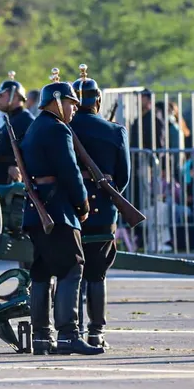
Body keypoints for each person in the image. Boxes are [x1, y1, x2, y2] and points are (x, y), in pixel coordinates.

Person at [21, 69, 103, 356]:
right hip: (56, 210)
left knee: (42, 272)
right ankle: (68, 335)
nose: (75, 108)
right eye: (71, 103)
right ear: (56, 100)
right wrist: (82, 204)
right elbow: (70, 172)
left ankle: (42, 337)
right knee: (72, 267)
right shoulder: (57, 128)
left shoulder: (34, 127)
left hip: (36, 211)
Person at [71, 65, 130, 349]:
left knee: (71, 273)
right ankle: (96, 332)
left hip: (70, 211)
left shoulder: (62, 130)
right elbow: (124, 178)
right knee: (97, 274)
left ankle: (72, 332)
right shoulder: (115, 131)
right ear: (98, 100)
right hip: (104, 212)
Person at [0, 71, 35, 184]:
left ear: (15, 96)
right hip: (2, 176)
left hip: (14, 179)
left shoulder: (26, 120)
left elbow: (31, 150)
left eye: (2, 95)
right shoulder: (11, 118)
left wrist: (16, 165)